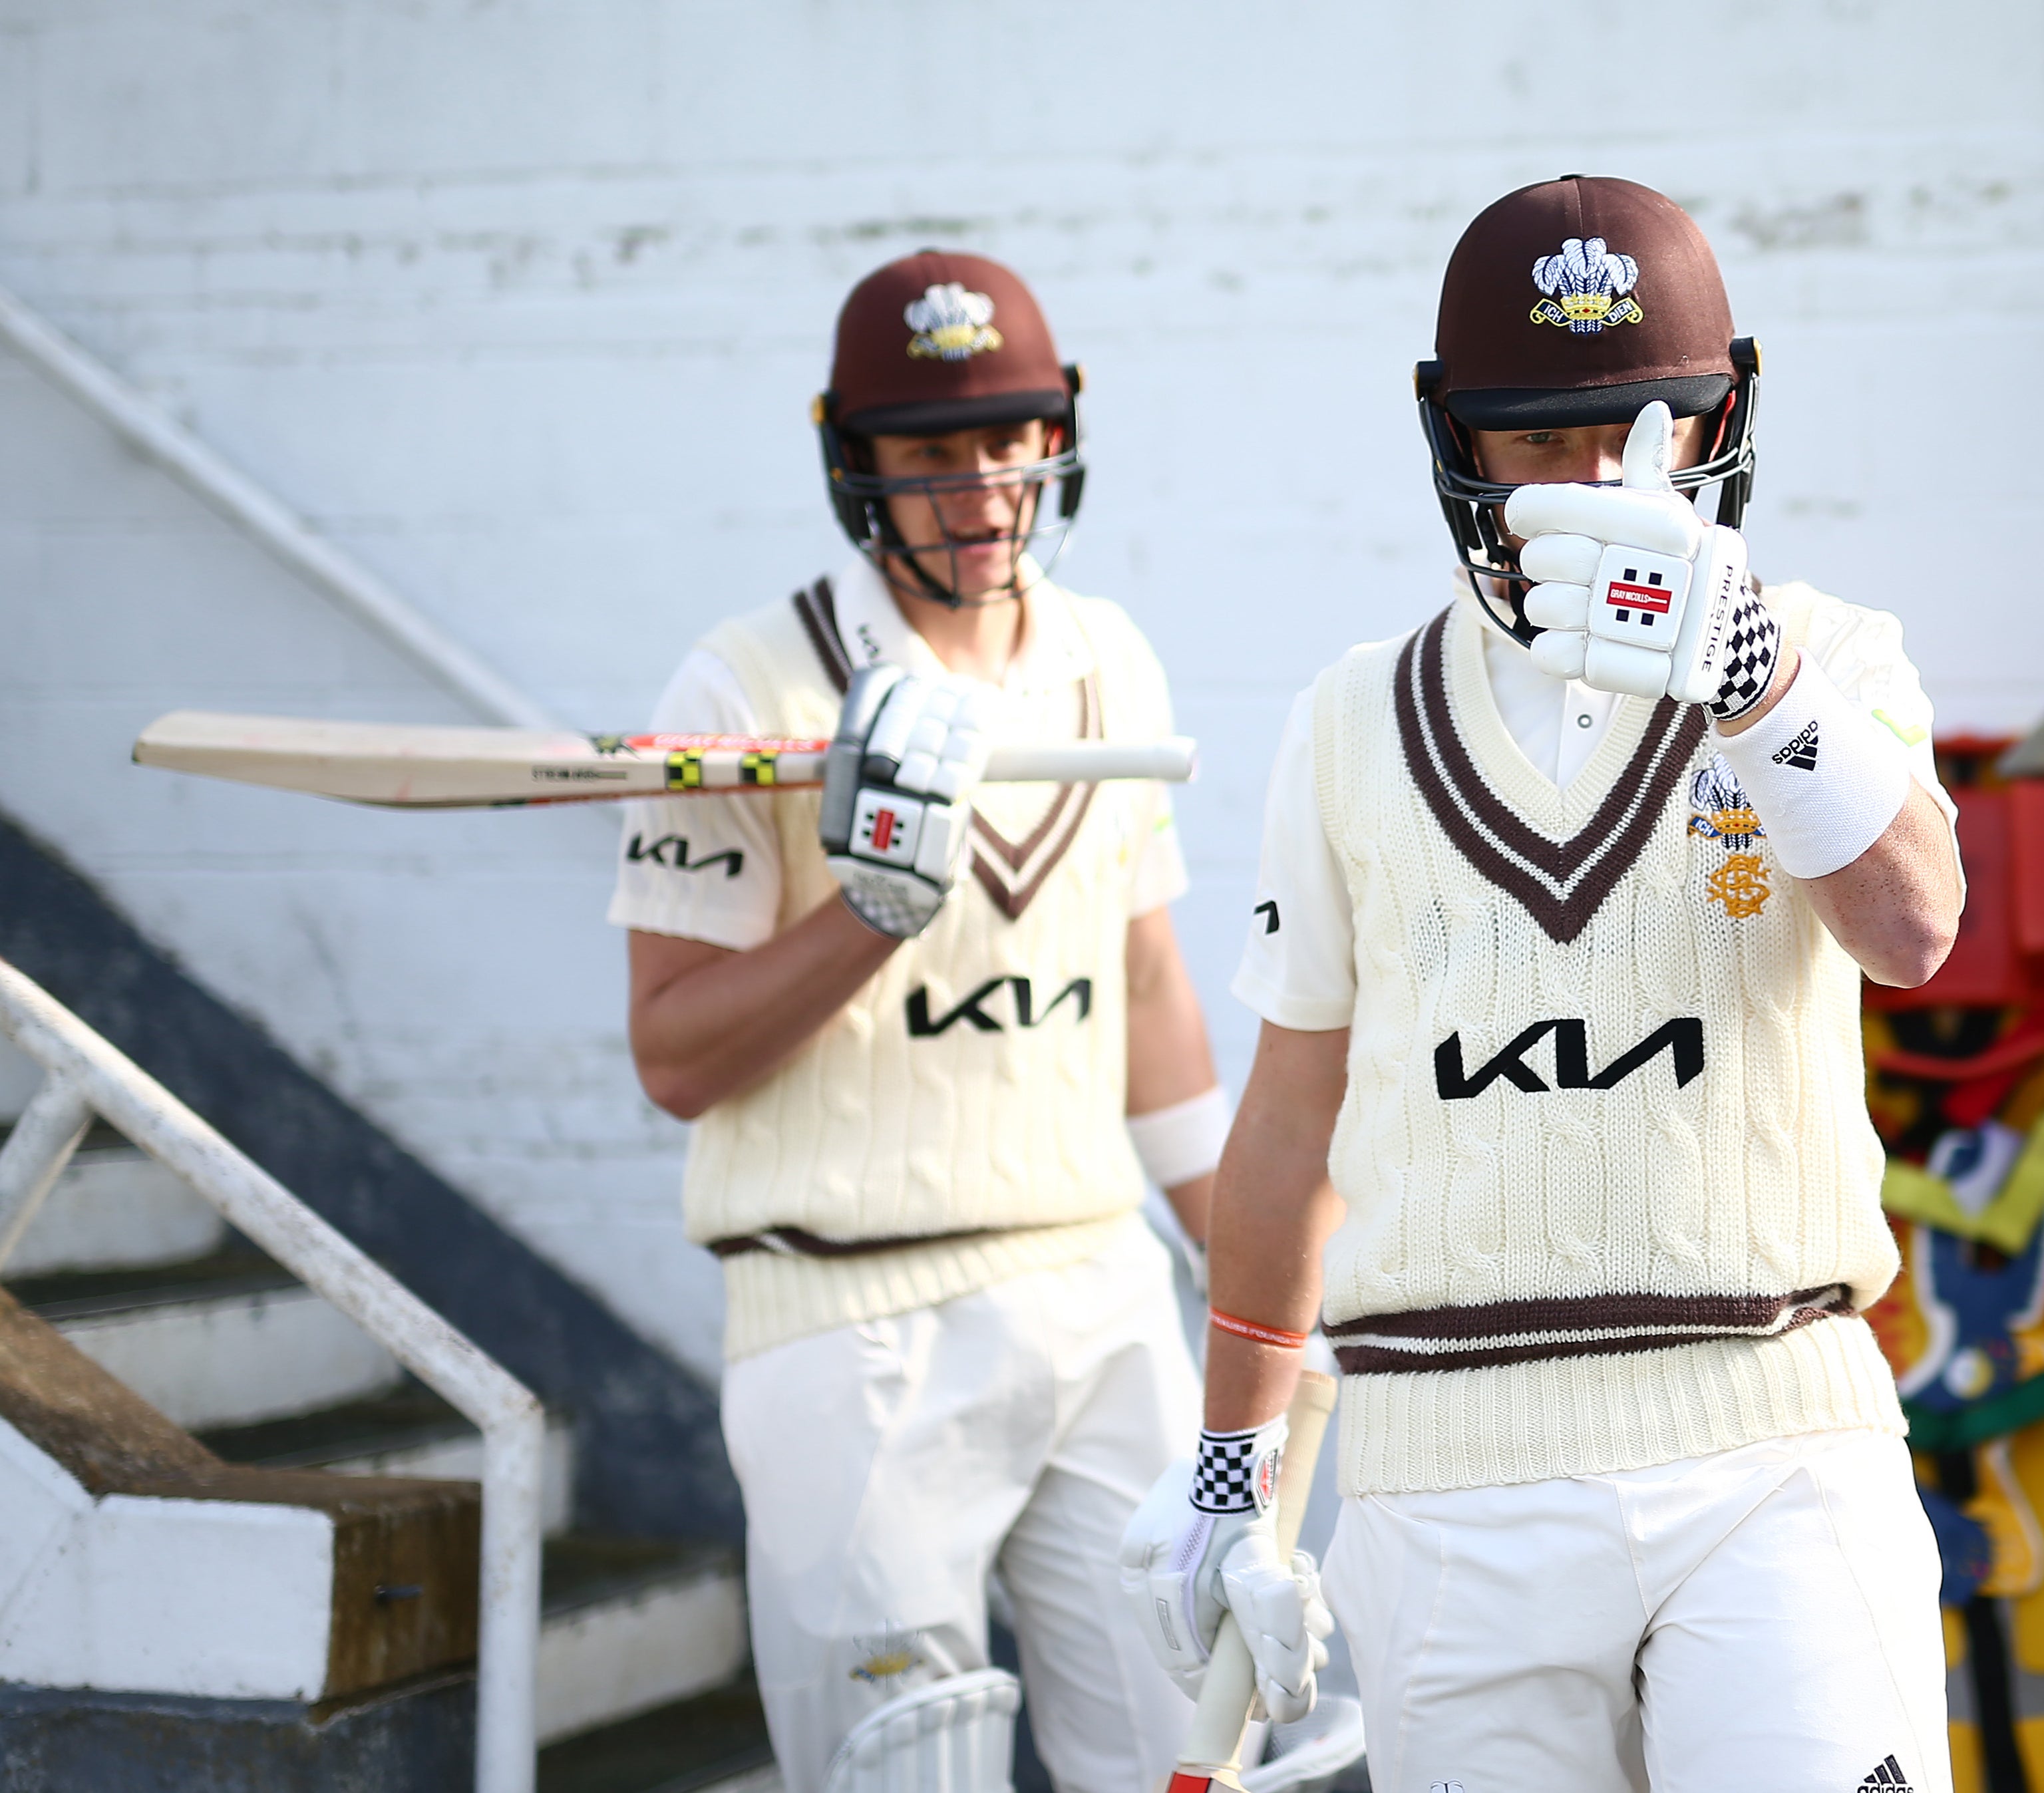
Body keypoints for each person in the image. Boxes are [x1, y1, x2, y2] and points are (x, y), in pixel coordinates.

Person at [1121, 177, 1967, 1793]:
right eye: (1538, 442)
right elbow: (1291, 1123)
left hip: (1774, 1436)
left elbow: (1916, 928)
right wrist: (1233, 1459)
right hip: (1451, 1474)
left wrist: (1754, 685)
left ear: (1723, 415)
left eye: (1643, 430)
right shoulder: (1352, 718)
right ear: (1455, 441)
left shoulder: (1825, 652)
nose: (1593, 486)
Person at [611, 249, 1230, 1793]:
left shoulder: (1109, 658)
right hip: (850, 1326)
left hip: (1099, 1293)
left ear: (1058, 432)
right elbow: (674, 1056)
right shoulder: (743, 680)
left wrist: (1253, 1259)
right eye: (930, 454)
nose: (980, 487)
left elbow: (1146, 988)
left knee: (1192, 1748)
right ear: (855, 464)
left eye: (1009, 439)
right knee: (900, 1771)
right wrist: (865, 910)